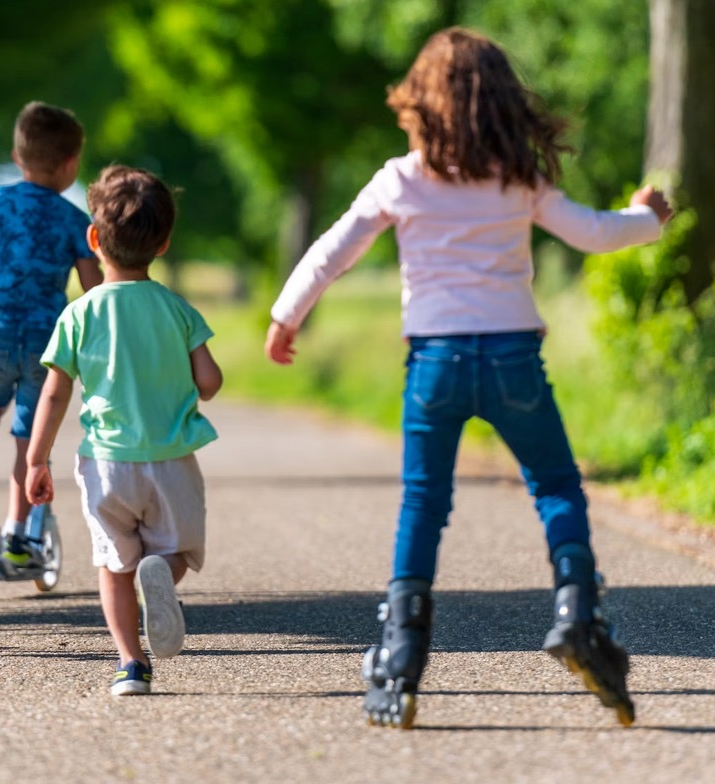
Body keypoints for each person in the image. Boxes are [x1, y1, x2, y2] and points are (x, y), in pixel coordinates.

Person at [265, 28, 673, 729]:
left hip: (436, 364)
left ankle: (401, 652)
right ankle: (579, 611)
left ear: (419, 103)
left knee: (424, 503)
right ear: (502, 103)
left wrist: (285, 315)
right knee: (555, 487)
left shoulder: (400, 178)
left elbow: (335, 249)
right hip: (514, 358)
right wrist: (650, 218)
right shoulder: (519, 178)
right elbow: (595, 233)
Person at [25, 165, 222, 696]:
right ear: (164, 242)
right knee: (175, 550)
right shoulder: (177, 308)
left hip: (106, 463)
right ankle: (161, 572)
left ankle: (130, 665)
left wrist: (35, 459)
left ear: (94, 239)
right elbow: (209, 381)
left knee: (113, 566)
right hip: (171, 458)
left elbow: (54, 392)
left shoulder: (78, 313)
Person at [0, 102, 104, 561]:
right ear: (71, 165)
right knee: (30, 439)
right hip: (46, 340)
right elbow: (94, 289)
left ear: (17, 155)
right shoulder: (74, 220)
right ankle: (18, 537)